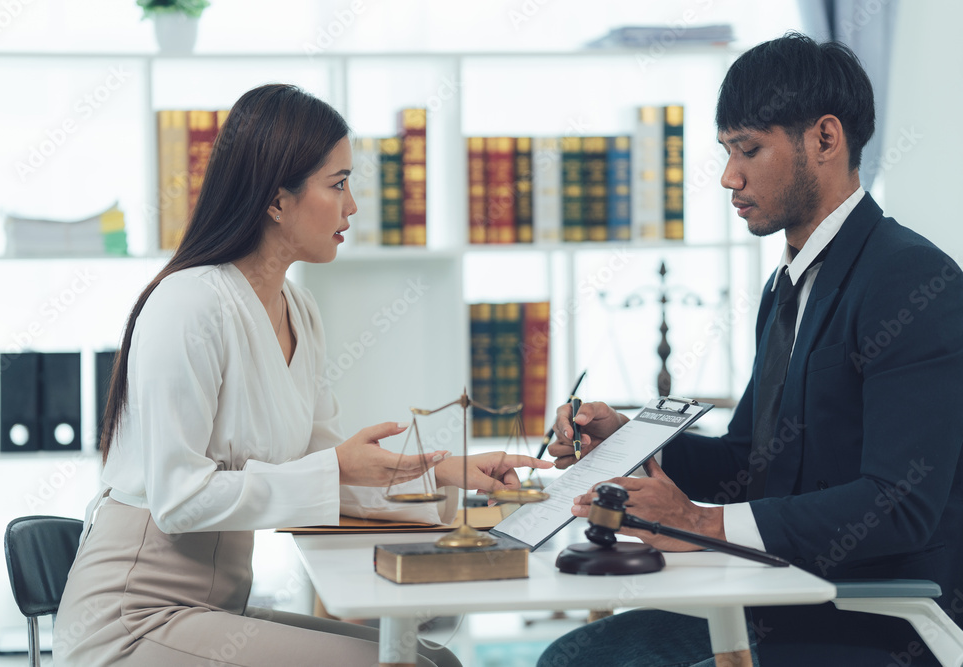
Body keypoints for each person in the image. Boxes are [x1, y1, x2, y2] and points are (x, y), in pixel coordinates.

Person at [53, 83, 552, 667]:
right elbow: (179, 502)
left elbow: (326, 469)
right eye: (338, 184)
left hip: (213, 612)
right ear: (275, 199)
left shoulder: (299, 311)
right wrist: (336, 466)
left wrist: (447, 476)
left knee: (435, 659)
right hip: (131, 618)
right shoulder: (189, 305)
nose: (352, 206)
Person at [539, 33, 963, 667]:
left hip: (878, 615)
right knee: (573, 657)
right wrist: (629, 438)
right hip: (783, 591)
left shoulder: (911, 281)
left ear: (825, 139)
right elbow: (749, 459)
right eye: (727, 151)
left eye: (749, 149)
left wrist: (703, 525)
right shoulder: (788, 285)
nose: (729, 177)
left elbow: (899, 506)